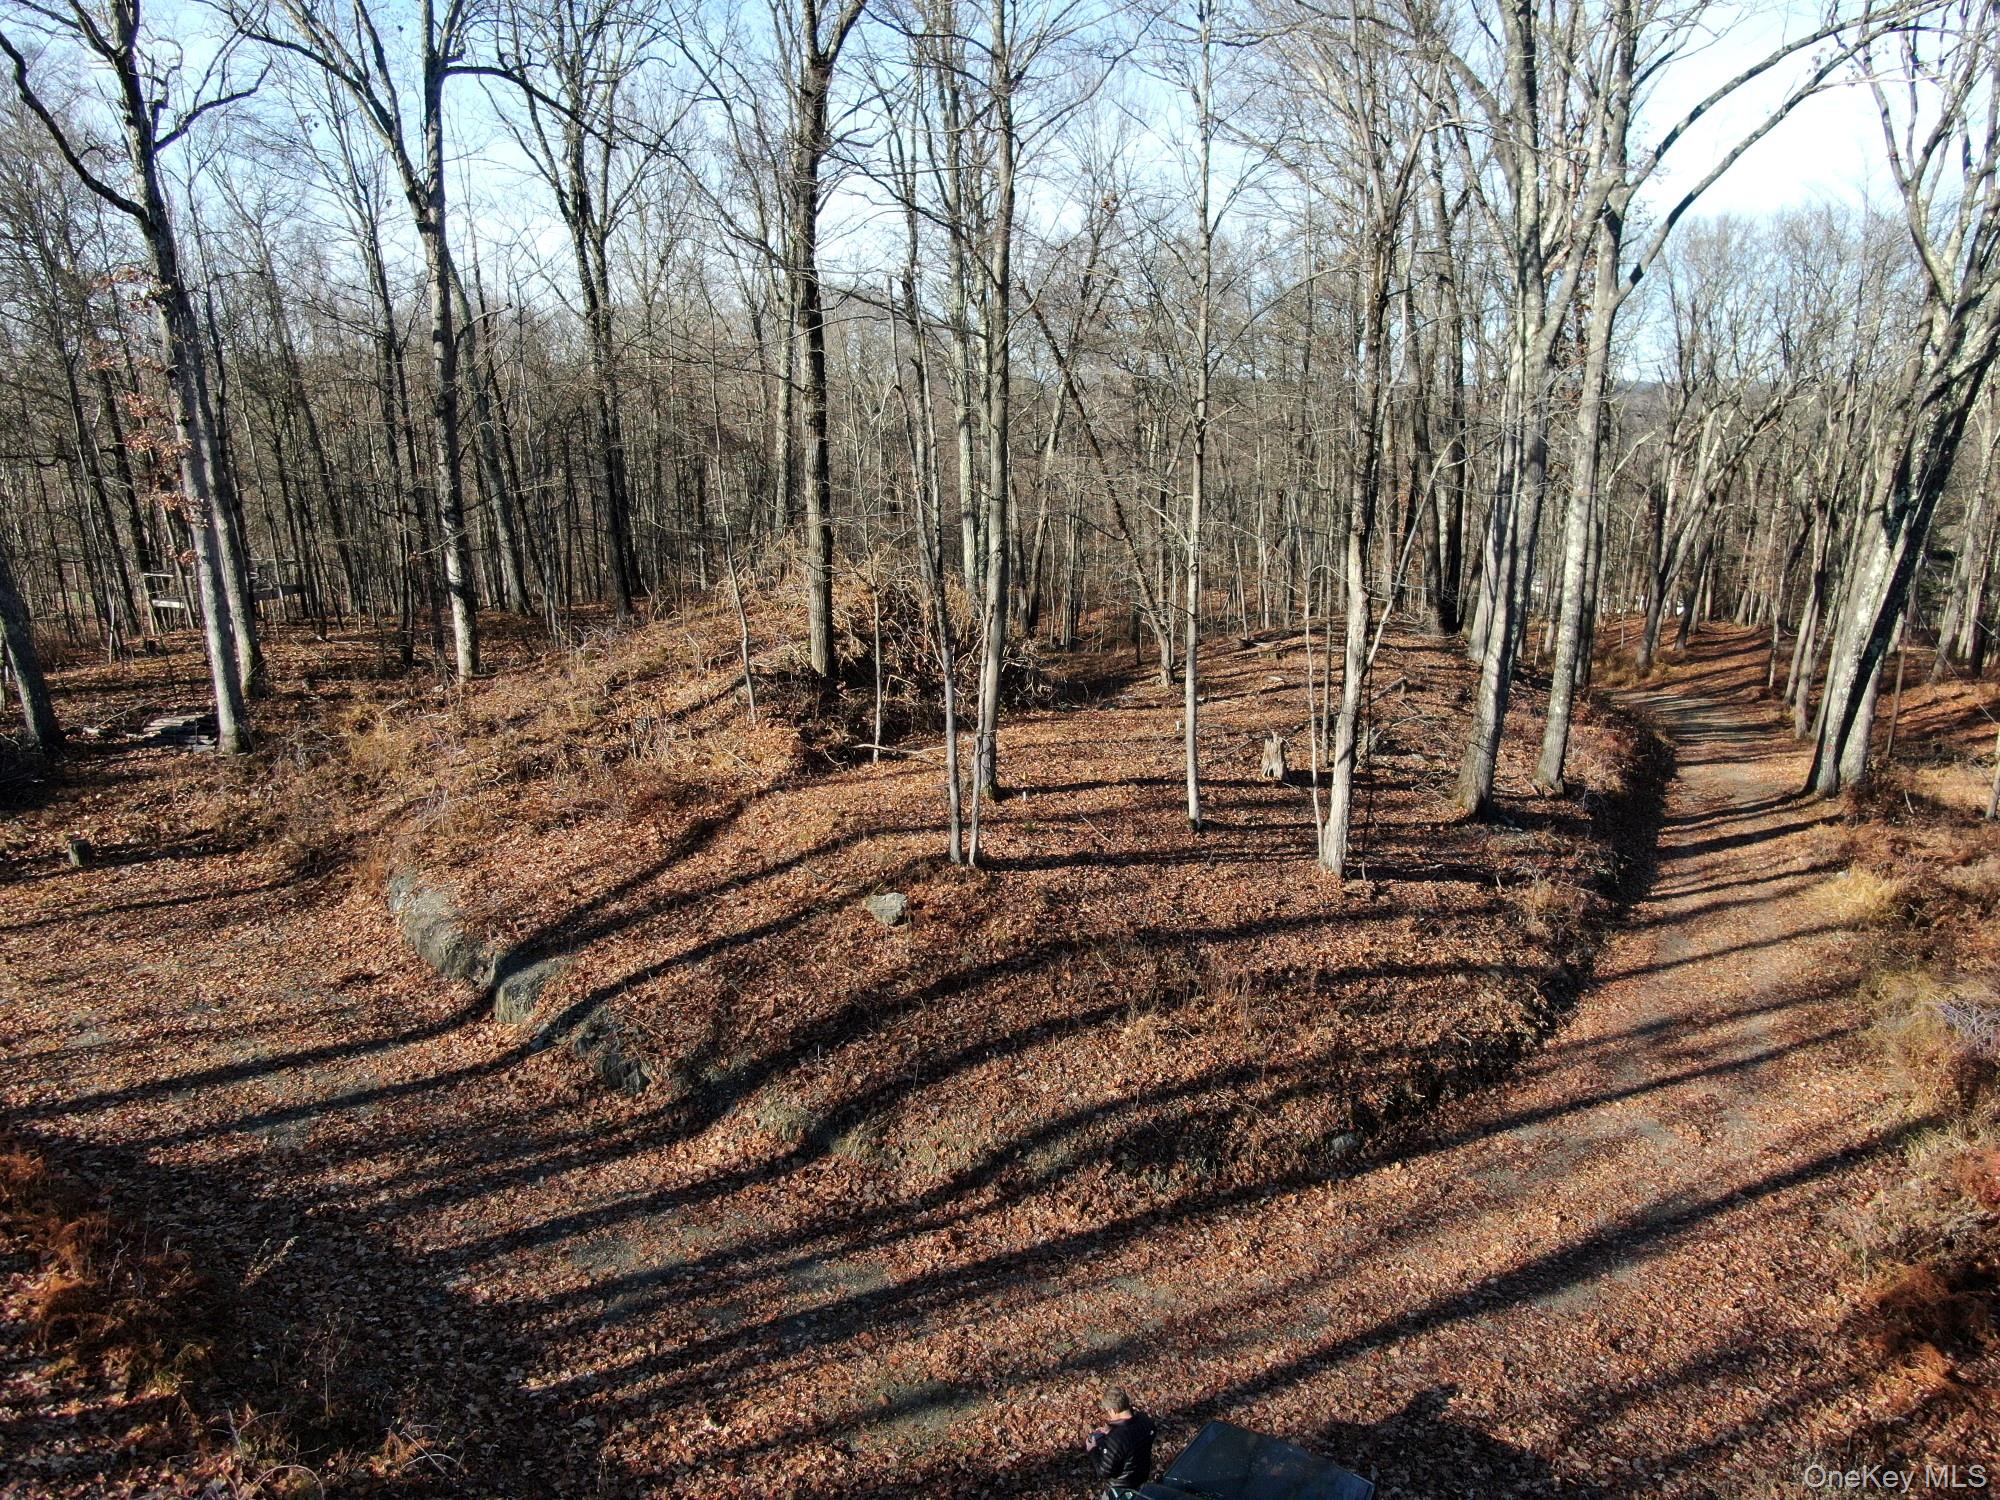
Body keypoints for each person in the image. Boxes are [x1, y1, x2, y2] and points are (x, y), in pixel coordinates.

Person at [1083, 1386, 1155, 1497]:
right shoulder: (1145, 1421)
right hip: (1141, 1480)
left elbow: (1104, 1471)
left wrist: (1093, 1450)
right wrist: (1112, 1431)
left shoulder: (1116, 1439)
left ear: (1113, 1410)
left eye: (1108, 1411)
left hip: (1121, 1490)